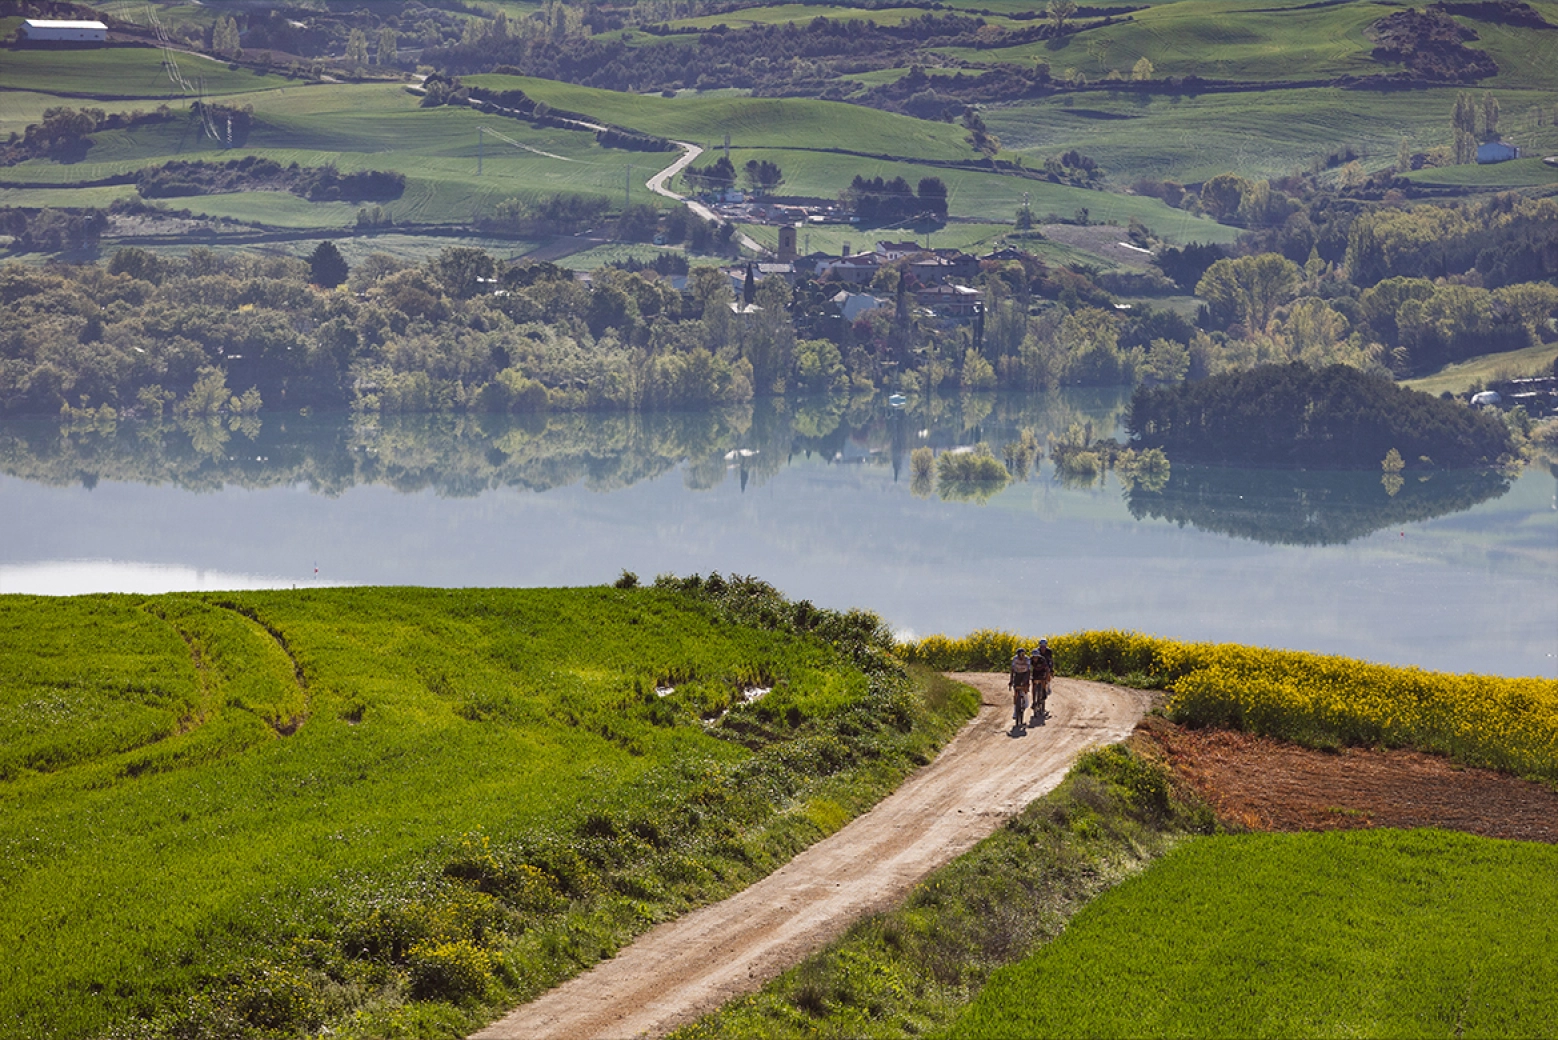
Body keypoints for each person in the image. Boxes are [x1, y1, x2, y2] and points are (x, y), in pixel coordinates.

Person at [1031, 638, 1054, 723]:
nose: (1043, 648)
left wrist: (1051, 669)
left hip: (1045, 666)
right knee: (1034, 682)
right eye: (1041, 646)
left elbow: (1051, 661)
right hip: (1037, 669)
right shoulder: (1036, 653)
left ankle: (1046, 689)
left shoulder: (1049, 652)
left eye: (1044, 646)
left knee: (1046, 678)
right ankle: (1034, 700)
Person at [1009, 647, 1031, 730]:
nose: (1021, 656)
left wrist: (1027, 681)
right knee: (1016, 691)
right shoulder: (1015, 659)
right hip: (1017, 674)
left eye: (1022, 655)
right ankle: (1015, 711)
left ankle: (1026, 700)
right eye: (1019, 655)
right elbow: (1012, 670)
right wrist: (1011, 680)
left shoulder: (1027, 659)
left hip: (1025, 674)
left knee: (1024, 687)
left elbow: (1029, 671)